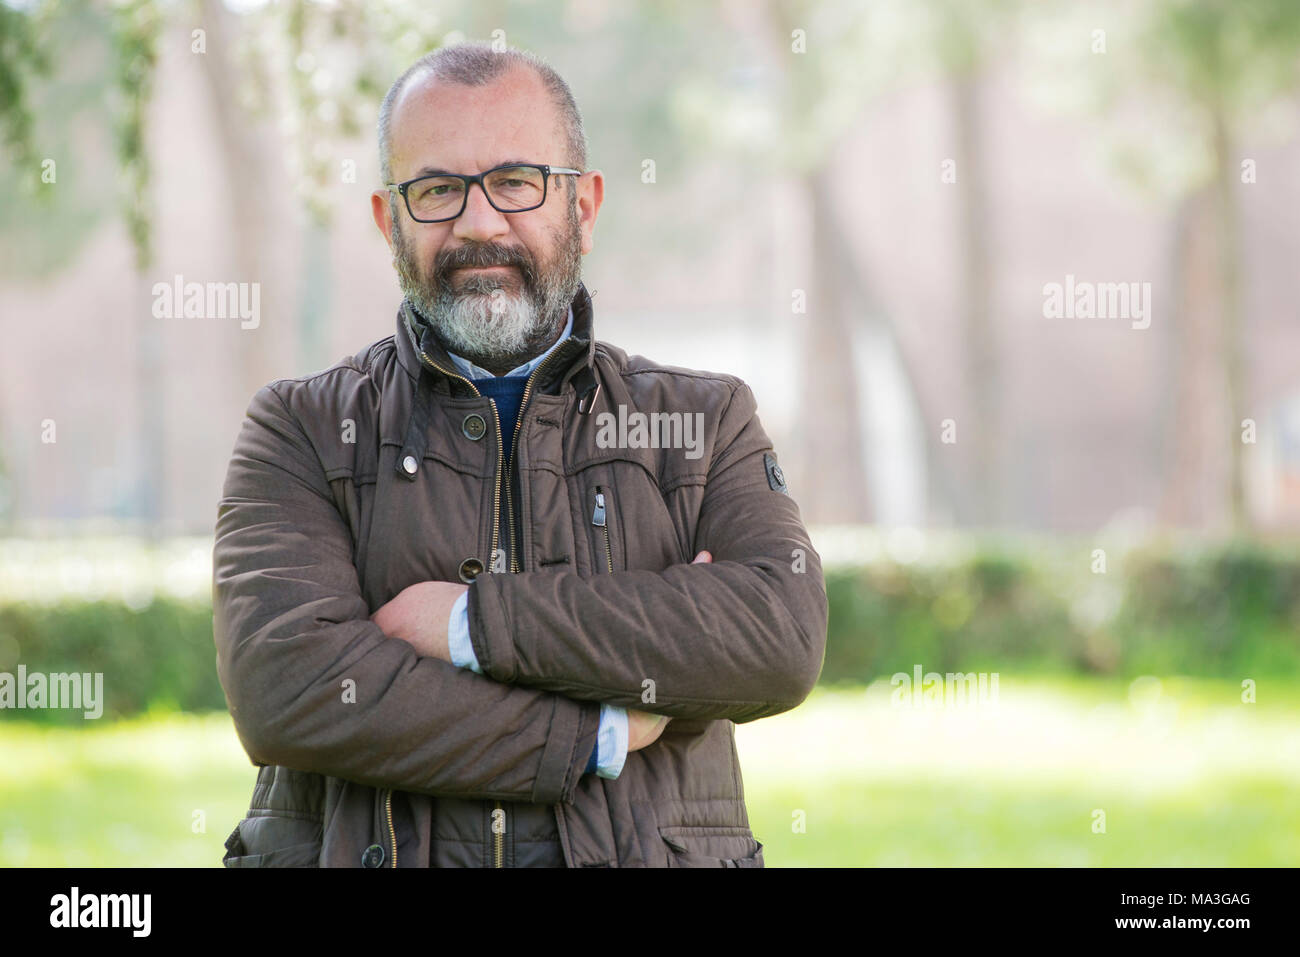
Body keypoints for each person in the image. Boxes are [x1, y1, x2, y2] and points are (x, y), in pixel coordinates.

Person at [212, 41, 827, 868]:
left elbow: (777, 635)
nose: (477, 222)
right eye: (436, 190)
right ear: (387, 219)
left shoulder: (703, 421)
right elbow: (289, 691)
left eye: (515, 181)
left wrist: (469, 624)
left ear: (585, 206)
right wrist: (599, 730)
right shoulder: (300, 430)